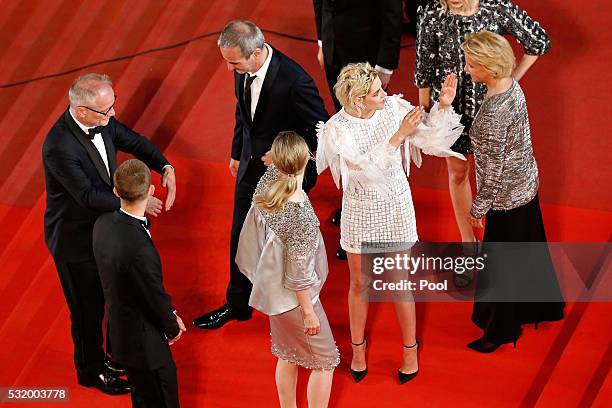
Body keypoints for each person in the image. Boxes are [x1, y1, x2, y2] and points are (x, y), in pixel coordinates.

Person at [316, 62, 464, 383]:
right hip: (360, 211)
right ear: (357, 100)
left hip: (395, 209)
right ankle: (357, 349)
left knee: (399, 284)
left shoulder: (394, 106)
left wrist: (442, 106)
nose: (385, 93)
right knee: (359, 284)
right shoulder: (337, 130)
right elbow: (365, 173)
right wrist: (398, 136)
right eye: (376, 92)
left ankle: (409, 350)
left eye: (381, 89)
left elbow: (429, 141)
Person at [42, 73, 176, 394]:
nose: (113, 114)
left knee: (112, 294)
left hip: (103, 227)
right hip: (75, 240)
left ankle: (114, 356)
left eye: (112, 106)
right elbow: (87, 196)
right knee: (87, 307)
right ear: (83, 111)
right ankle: (89, 370)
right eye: (106, 111)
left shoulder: (102, 120)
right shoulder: (58, 146)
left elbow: (132, 139)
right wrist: (137, 202)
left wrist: (165, 166)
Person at [193, 20, 329, 330]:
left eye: (234, 63)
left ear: (256, 53)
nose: (229, 70)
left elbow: (323, 130)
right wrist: (236, 151)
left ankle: (292, 307)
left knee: (282, 243)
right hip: (249, 164)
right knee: (240, 234)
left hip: (283, 176)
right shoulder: (242, 70)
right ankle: (238, 304)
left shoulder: (295, 81)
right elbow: (243, 113)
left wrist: (285, 159)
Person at [415, 0, 551, 272]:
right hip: (450, 109)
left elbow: (538, 41)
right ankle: (469, 247)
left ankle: (499, 244)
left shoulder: (496, 7)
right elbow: (424, 70)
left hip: (489, 111)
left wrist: (510, 80)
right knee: (457, 174)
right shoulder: (431, 12)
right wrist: (428, 117)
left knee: (494, 175)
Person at [461, 31, 564, 353]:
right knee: (529, 250)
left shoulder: (492, 114)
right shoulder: (511, 86)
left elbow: (492, 173)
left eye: (471, 65)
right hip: (527, 184)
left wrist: (477, 210)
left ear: (489, 68)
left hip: (506, 199)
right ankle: (540, 307)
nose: (466, 70)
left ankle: (501, 331)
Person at [236, 131, 339, 408]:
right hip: (296, 301)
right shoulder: (300, 215)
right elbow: (299, 275)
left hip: (274, 293)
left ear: (275, 161)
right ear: (305, 162)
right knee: (326, 362)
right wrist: (308, 313)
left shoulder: (267, 186)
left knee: (288, 355)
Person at [313, 0, 403, 260]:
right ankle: (355, 209)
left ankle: (378, 223)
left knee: (373, 137)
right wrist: (322, 40)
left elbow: (392, 10)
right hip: (334, 51)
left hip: (367, 60)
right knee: (347, 133)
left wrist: (385, 65)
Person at [93, 159, 186, 407]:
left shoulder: (101, 225)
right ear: (151, 191)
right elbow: (152, 294)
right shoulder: (140, 249)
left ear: (116, 191)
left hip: (120, 334)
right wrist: (172, 325)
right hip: (145, 346)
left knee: (142, 397)